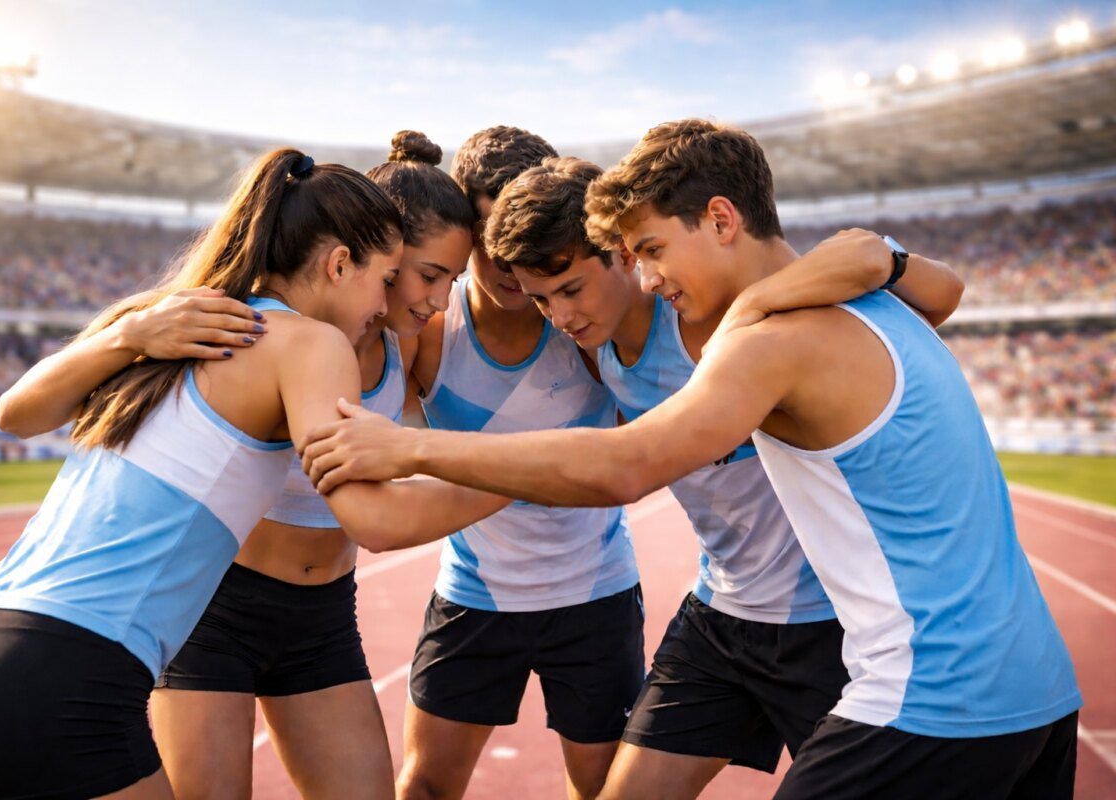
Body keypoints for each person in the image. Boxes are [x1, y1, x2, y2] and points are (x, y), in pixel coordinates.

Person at [303, 120, 1083, 800]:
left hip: (881, 653)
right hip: (727, 614)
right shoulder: (611, 342)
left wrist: (409, 448)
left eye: (647, 250)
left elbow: (625, 465)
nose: (646, 275)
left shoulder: (747, 331)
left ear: (715, 220)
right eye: (542, 300)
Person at [0, 149, 507, 800]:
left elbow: (15, 412)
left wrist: (126, 334)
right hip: (63, 678)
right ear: (340, 263)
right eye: (389, 275)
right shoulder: (310, 344)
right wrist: (530, 474)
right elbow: (377, 519)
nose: (391, 298)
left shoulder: (178, 314)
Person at [479, 154, 964, 799]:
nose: (561, 317)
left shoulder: (718, 320)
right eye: (542, 301)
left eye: (571, 290)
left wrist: (883, 255)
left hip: (830, 625)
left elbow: (938, 298)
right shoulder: (594, 352)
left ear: (625, 256)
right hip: (722, 614)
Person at [394, 125, 642, 800]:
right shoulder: (432, 333)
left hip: (594, 595)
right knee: (422, 787)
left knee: (602, 791)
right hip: (474, 595)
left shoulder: (587, 325)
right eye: (485, 228)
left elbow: (635, 453)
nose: (507, 258)